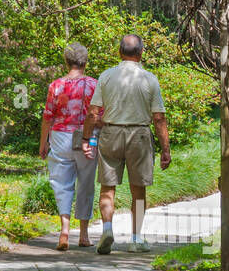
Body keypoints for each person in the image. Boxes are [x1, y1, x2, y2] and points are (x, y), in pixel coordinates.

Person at [82, 34, 170, 254]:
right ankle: (136, 238)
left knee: (107, 187)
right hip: (139, 135)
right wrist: (165, 150)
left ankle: (108, 229)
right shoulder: (149, 78)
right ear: (141, 53)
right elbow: (159, 117)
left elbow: (93, 113)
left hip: (110, 133)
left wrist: (86, 138)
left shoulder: (107, 76)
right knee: (138, 190)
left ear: (119, 53)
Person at [38, 42, 101, 251]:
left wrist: (43, 143)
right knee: (86, 183)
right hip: (87, 136)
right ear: (85, 61)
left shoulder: (56, 85)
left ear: (67, 61)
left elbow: (48, 117)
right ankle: (83, 234)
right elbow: (99, 115)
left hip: (60, 136)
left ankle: (65, 229)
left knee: (61, 183)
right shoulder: (94, 85)